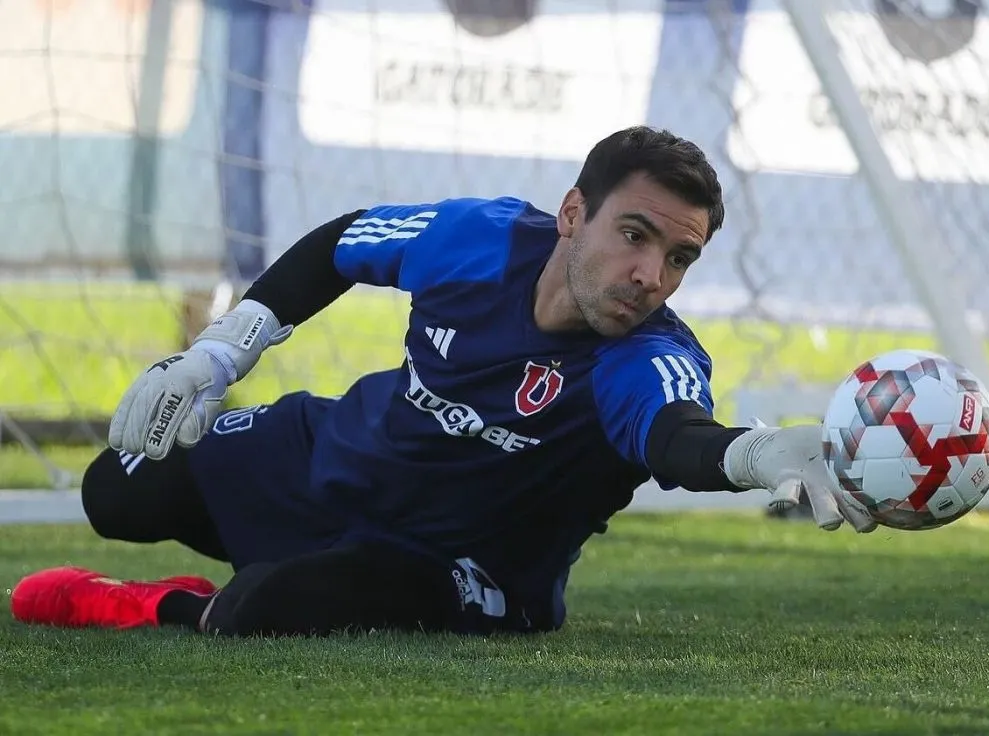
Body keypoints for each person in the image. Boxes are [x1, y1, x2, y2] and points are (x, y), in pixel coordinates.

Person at [10, 126, 876, 638]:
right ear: (572, 214)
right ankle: (281, 548)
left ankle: (159, 605)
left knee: (259, 611)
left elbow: (677, 437)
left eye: (679, 256)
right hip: (337, 457)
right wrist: (219, 354)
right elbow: (344, 242)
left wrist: (758, 453)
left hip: (453, 561)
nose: (652, 274)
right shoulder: (480, 239)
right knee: (115, 488)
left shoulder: (647, 356)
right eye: (636, 235)